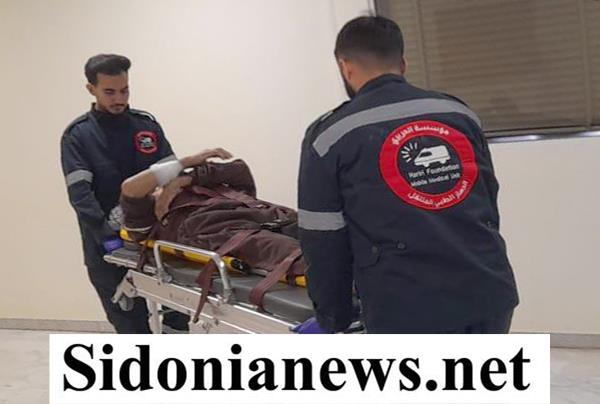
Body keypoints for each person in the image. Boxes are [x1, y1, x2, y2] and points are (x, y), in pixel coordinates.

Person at [296, 16, 519, 334]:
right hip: (488, 293)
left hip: (407, 306)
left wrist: (334, 317)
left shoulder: (330, 136)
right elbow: (487, 201)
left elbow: (323, 238)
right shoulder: (458, 114)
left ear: (345, 66)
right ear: (402, 64)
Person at [60, 54, 177, 333]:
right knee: (130, 325)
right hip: (107, 246)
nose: (119, 99)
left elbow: (173, 177)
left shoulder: (146, 127)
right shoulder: (78, 136)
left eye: (124, 90)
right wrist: (109, 240)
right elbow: (81, 198)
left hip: (154, 242)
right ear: (91, 89)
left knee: (178, 318)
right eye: (109, 92)